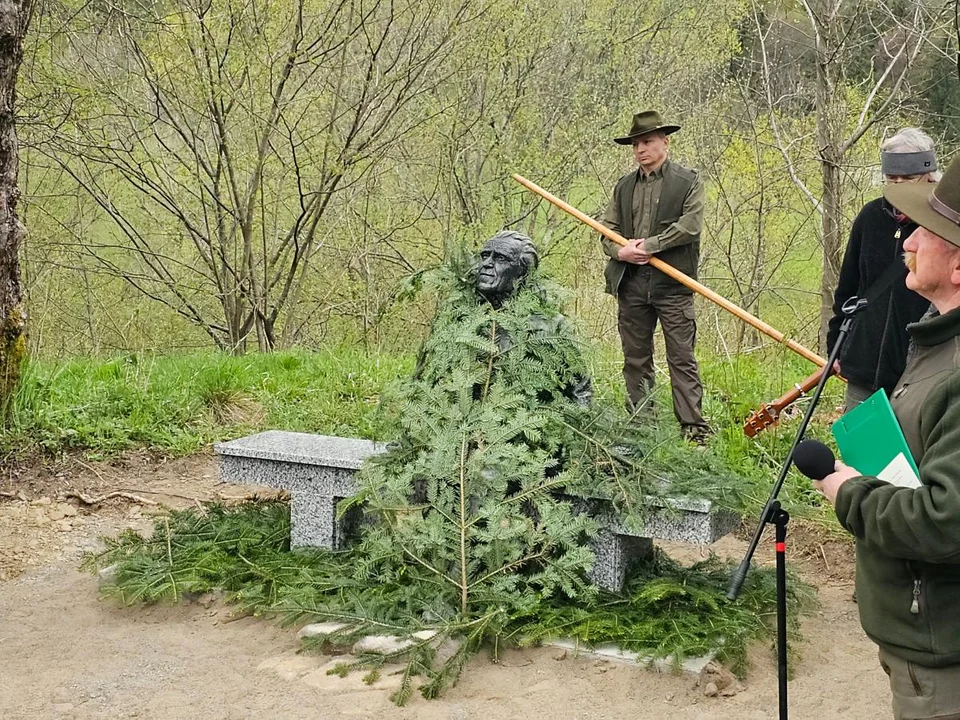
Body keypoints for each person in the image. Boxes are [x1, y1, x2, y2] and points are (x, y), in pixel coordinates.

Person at [815, 153, 960, 720]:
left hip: (940, 652)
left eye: (927, 231)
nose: (907, 242)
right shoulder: (938, 342)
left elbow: (941, 523)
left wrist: (846, 488)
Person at [599, 110, 709, 443]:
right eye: (635, 144)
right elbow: (607, 231)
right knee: (635, 358)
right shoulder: (623, 187)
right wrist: (622, 253)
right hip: (630, 284)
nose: (640, 149)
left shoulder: (688, 182)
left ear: (665, 141)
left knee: (681, 358)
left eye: (647, 142)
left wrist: (649, 246)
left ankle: (693, 430)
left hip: (673, 285)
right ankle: (640, 428)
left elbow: (689, 227)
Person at [827, 128, 940, 412]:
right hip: (864, 364)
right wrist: (836, 347)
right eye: (892, 179)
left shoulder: (944, 225)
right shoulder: (870, 217)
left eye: (908, 178)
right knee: (861, 453)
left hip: (920, 371)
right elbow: (848, 287)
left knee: (910, 455)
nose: (899, 186)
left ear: (928, 175)